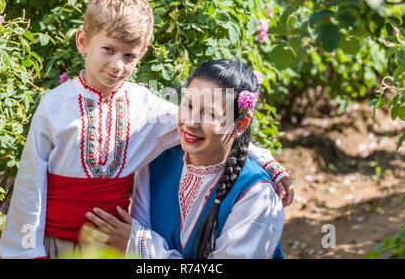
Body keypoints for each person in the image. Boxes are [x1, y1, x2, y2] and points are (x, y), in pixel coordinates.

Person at [0, 0, 293, 259]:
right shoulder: (54, 106)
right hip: (56, 244)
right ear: (83, 41)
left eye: (129, 56)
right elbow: (30, 183)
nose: (117, 65)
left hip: (112, 248)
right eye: (108, 50)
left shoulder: (145, 109)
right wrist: (29, 250)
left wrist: (267, 163)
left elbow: (217, 131)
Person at [85, 59, 285, 258]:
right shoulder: (158, 160)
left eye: (210, 114)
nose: (191, 122)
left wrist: (137, 245)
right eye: (188, 105)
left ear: (240, 125)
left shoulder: (257, 195)